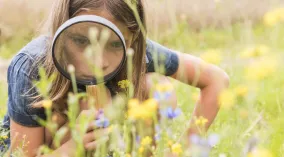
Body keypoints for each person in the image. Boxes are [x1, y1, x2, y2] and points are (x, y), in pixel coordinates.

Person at [1, 0, 229, 156]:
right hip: (51, 148)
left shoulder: (139, 52)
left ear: (133, 39)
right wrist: (73, 147)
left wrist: (181, 149)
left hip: (109, 141)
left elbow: (216, 80)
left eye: (113, 44)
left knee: (158, 87)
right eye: (82, 41)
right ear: (63, 28)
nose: (99, 61)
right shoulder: (31, 65)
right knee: (69, 109)